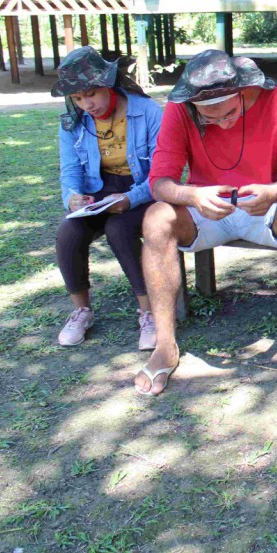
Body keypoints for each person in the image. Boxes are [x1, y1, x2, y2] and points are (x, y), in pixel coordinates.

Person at [133, 50, 277, 396]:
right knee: (155, 217)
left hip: (263, 206)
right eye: (209, 118)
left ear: (242, 91)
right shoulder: (180, 108)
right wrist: (193, 196)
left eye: (231, 112)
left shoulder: (275, 99)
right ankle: (165, 344)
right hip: (207, 209)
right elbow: (159, 181)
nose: (223, 123)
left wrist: (272, 191)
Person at [54, 46, 163, 349]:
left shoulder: (148, 111)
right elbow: (70, 171)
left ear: (109, 84)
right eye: (77, 98)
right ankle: (81, 311)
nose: (86, 104)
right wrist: (73, 197)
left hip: (141, 191)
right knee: (68, 232)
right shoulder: (72, 122)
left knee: (119, 228)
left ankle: (149, 313)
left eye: (91, 94)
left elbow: (161, 172)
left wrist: (130, 199)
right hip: (98, 192)